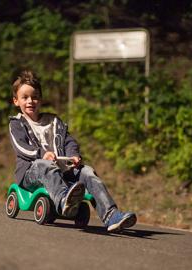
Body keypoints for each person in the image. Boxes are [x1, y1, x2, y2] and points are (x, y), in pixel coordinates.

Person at [8, 70, 137, 232]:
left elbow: (69, 140)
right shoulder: (17, 123)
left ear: (40, 99)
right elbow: (21, 147)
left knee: (87, 171)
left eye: (34, 97)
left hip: (62, 168)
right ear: (16, 101)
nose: (30, 101)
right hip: (32, 171)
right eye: (25, 97)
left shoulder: (54, 121)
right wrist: (42, 154)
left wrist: (74, 155)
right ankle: (63, 201)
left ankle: (111, 215)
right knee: (44, 165)